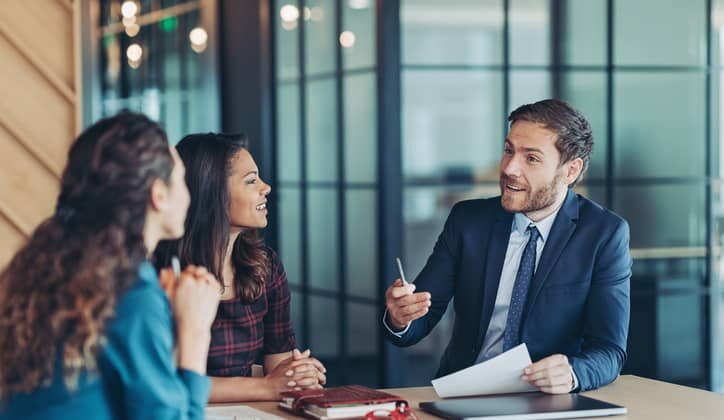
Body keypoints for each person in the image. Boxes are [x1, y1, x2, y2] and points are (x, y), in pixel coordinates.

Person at [383, 99, 631, 393]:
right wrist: (400, 318)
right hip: (463, 395)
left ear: (570, 171)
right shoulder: (468, 221)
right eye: (509, 150)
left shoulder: (604, 234)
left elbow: (609, 351)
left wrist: (573, 373)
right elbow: (418, 320)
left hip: (546, 401)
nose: (510, 168)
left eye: (532, 158)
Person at [0, 112, 221, 419]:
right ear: (159, 195)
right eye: (182, 178)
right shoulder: (132, 291)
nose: (188, 193)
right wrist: (196, 332)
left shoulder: (54, 271)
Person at [155, 133, 326, 402]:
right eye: (251, 180)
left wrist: (297, 374)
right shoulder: (162, 273)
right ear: (212, 192)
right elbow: (162, 381)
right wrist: (267, 387)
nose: (266, 187)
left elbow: (278, 365)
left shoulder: (265, 266)